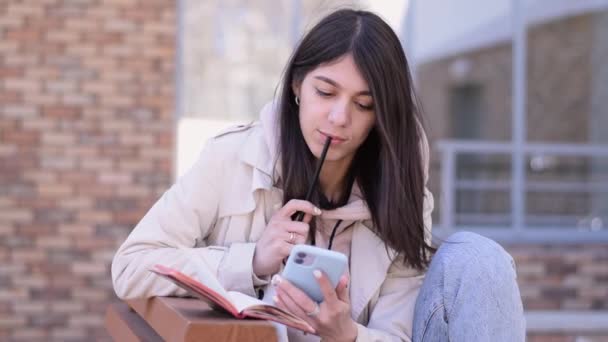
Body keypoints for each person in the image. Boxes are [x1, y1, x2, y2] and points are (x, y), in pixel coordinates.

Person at [112, 8, 526, 342]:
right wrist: (252, 262)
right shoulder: (233, 158)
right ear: (297, 85)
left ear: (381, 118)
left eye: (364, 105)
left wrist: (347, 336)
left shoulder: (400, 192)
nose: (339, 117)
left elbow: (400, 334)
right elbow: (132, 265)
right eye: (325, 92)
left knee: (477, 257)